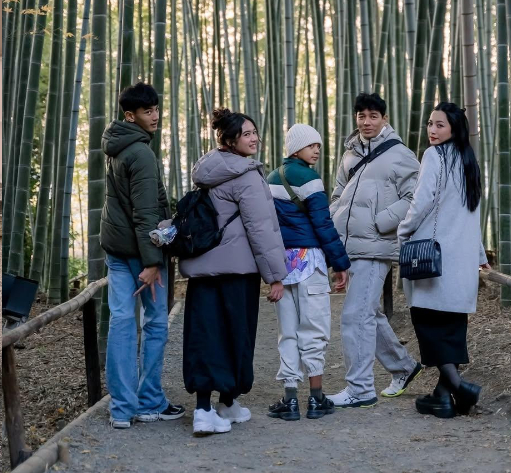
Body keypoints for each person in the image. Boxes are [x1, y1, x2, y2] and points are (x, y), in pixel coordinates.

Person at [179, 108, 287, 436]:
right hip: (237, 273)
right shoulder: (246, 175)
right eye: (246, 134)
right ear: (230, 140)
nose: (254, 138)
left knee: (205, 336)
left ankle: (217, 405)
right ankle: (209, 410)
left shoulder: (209, 168)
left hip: (203, 271)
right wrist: (276, 275)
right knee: (235, 335)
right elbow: (261, 230)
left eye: (255, 132)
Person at [98, 82, 184, 429]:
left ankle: (121, 408)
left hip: (116, 248)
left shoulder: (116, 145)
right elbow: (146, 212)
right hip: (141, 253)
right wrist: (151, 263)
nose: (156, 116)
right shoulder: (141, 153)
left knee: (120, 322)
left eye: (156, 109)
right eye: (148, 111)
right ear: (129, 115)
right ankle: (149, 401)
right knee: (155, 324)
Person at [329, 93, 423, 408]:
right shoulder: (350, 153)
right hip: (349, 244)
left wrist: (379, 221)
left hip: (376, 246)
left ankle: (360, 389)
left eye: (372, 116)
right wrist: (335, 219)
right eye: (361, 116)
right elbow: (338, 193)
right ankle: (404, 367)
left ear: (384, 118)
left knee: (355, 316)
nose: (366, 122)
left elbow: (415, 199)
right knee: (369, 312)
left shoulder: (401, 155)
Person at [397, 103, 489, 419]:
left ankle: (461, 387)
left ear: (454, 128)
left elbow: (422, 201)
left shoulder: (435, 156)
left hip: (432, 258)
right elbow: (472, 213)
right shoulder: (469, 159)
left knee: (428, 323)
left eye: (440, 125)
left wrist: (403, 231)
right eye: (430, 124)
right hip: (460, 261)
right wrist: (478, 255)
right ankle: (443, 398)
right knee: (450, 327)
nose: (432, 131)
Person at [264, 124, 352, 421]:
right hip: (310, 262)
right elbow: (323, 225)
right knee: (313, 330)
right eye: (312, 145)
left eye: (318, 145)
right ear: (296, 148)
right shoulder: (310, 179)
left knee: (287, 332)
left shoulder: (270, 178)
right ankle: (315, 399)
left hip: (282, 264)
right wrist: (340, 264)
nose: (317, 149)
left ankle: (289, 401)